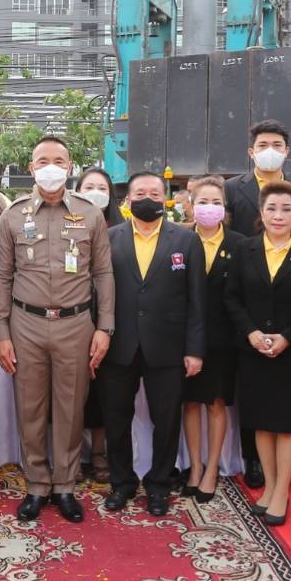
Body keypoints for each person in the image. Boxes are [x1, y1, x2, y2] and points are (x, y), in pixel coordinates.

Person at [0, 136, 115, 523]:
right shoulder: (12, 215)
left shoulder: (89, 214)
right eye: (42, 160)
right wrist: (1, 332)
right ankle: (36, 485)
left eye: (58, 161)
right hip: (25, 324)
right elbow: (2, 276)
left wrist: (105, 327)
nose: (50, 167)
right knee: (29, 408)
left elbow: (103, 273)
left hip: (76, 324)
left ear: (70, 166)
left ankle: (64, 485)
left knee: (70, 408)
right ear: (31, 168)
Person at [98, 171, 205, 517]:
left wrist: (194, 349)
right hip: (119, 345)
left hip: (168, 347)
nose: (148, 199)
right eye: (140, 193)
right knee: (116, 418)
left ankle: (159, 485)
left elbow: (197, 299)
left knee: (166, 420)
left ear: (165, 199)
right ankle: (122, 483)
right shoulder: (109, 238)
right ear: (127, 201)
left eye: (155, 194)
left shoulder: (186, 240)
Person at [224, 180, 291, 524]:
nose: (278, 215)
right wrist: (252, 333)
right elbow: (232, 297)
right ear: (261, 211)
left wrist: (288, 337)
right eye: (271, 208)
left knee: (285, 426)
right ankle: (269, 487)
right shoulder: (245, 249)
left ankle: (282, 491)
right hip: (252, 350)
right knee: (261, 424)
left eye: (286, 209)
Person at [225, 119, 291, 489]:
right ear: (251, 151)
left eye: (277, 144)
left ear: (287, 150)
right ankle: (253, 459)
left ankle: (281, 475)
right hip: (249, 292)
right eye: (263, 144)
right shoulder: (233, 187)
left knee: (285, 406)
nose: (270, 150)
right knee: (253, 398)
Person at [180, 176, 245, 503]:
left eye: (216, 202)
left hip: (223, 339)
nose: (209, 208)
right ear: (191, 205)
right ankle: (195, 466)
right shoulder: (180, 239)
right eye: (203, 202)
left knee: (216, 402)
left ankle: (212, 468)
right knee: (190, 402)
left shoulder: (239, 244)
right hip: (185, 337)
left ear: (225, 207)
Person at [75, 166, 122, 480]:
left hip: (109, 319)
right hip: (72, 318)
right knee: (71, 391)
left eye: (102, 188)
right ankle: (72, 455)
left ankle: (99, 453)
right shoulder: (66, 224)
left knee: (103, 391)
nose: (95, 193)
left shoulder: (120, 230)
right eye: (88, 187)